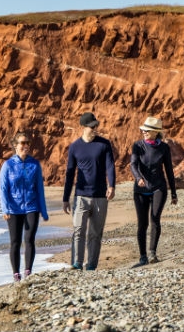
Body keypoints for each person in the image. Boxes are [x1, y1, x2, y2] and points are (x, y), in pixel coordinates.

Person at [62, 112, 116, 271]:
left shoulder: (104, 144)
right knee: (78, 230)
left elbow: (110, 166)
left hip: (100, 196)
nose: (95, 128)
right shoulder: (74, 147)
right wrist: (66, 198)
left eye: (96, 126)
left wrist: (111, 185)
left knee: (95, 233)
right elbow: (70, 173)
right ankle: (77, 263)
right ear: (84, 127)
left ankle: (91, 265)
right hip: (80, 196)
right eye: (92, 126)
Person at [0, 131, 49, 282]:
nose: (25, 146)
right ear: (15, 145)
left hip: (31, 207)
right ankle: (16, 274)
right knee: (15, 241)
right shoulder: (7, 165)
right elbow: (3, 189)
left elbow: (39, 188)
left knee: (29, 239)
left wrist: (44, 210)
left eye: (27, 143)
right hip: (13, 209)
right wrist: (5, 208)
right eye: (22, 143)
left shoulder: (34, 164)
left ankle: (28, 271)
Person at [129, 116, 177, 266]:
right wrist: (138, 178)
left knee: (155, 218)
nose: (144, 132)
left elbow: (169, 170)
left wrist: (174, 193)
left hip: (158, 188)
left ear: (156, 132)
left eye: (147, 130)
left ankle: (152, 253)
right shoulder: (138, 146)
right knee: (142, 224)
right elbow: (133, 165)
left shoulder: (164, 148)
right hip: (140, 190)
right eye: (143, 130)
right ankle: (143, 255)